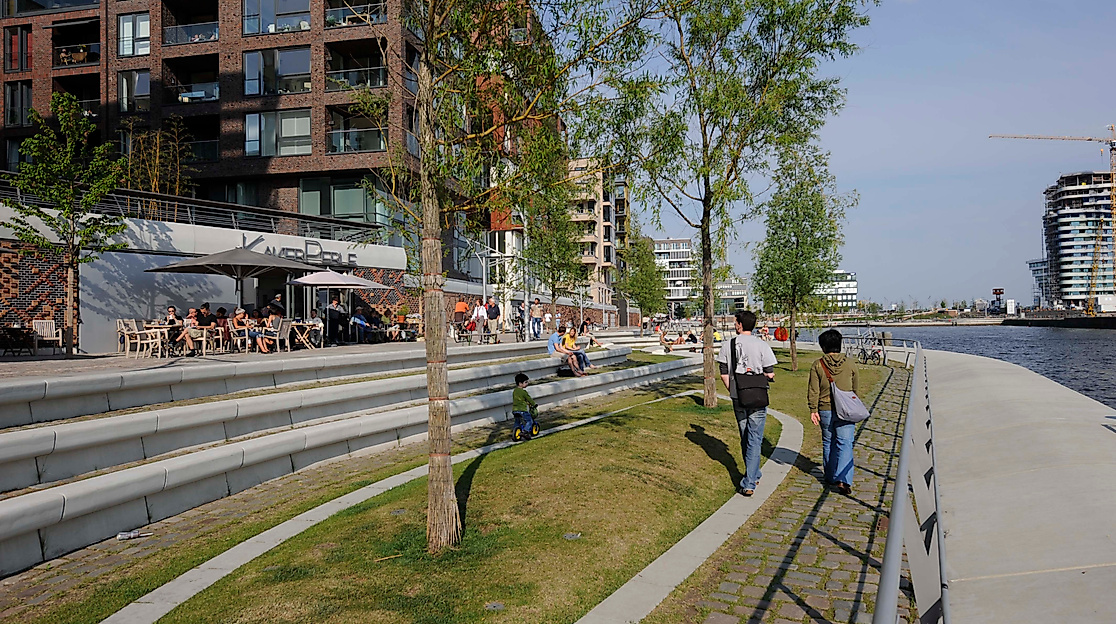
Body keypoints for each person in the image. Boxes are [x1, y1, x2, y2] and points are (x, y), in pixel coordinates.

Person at [716, 310, 777, 497]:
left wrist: (733, 390)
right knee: (755, 438)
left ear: (740, 325)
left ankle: (751, 479)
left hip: (738, 396)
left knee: (745, 436)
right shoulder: (762, 344)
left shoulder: (728, 344)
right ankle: (752, 476)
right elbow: (770, 372)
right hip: (758, 396)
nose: (735, 325)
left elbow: (723, 372)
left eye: (736, 322)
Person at [808, 329, 859, 496]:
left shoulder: (817, 365)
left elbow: (813, 390)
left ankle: (830, 476)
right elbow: (855, 387)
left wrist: (813, 409)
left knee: (828, 442)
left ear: (823, 347)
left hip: (825, 408)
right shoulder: (850, 363)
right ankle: (843, 479)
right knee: (845, 443)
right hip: (846, 409)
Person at [511, 372, 539, 439]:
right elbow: (529, 399)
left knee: (517, 421)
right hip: (522, 410)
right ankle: (525, 432)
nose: (527, 383)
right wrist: (534, 404)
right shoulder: (524, 392)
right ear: (520, 383)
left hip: (515, 410)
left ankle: (516, 432)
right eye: (526, 382)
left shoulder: (515, 391)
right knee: (529, 420)